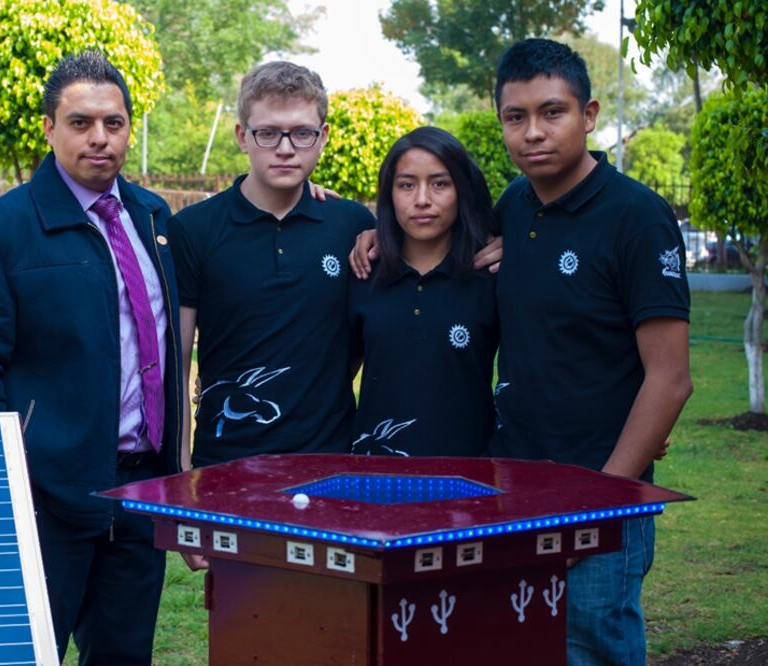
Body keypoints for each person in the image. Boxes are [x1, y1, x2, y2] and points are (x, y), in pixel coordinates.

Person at [349, 38, 692, 665]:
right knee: (516, 644)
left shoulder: (637, 217)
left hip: (597, 492)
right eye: (516, 117)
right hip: (509, 489)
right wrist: (377, 231)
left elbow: (669, 381)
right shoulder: (512, 204)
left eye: (552, 112)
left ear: (588, 115)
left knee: (590, 644)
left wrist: (603, 501)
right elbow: (440, 237)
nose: (533, 132)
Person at [0, 51, 183, 666]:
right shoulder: (3, 230)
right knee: (26, 653)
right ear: (49, 127)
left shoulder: (154, 217)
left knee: (125, 658)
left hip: (139, 493)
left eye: (114, 123)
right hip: (47, 501)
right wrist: (21, 479)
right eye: (80, 122)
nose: (100, 138)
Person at [168, 61, 376, 471]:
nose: (285, 148)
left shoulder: (353, 225)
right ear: (242, 137)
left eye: (302, 133)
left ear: (323, 137)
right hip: (223, 463)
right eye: (268, 133)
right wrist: (180, 466)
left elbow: (361, 340)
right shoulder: (192, 229)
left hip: (330, 463)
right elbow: (176, 361)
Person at [349, 127, 497, 457]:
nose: (422, 199)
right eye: (406, 185)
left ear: (462, 189)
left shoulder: (491, 276)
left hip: (470, 480)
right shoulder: (363, 273)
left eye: (440, 183)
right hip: (375, 475)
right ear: (389, 194)